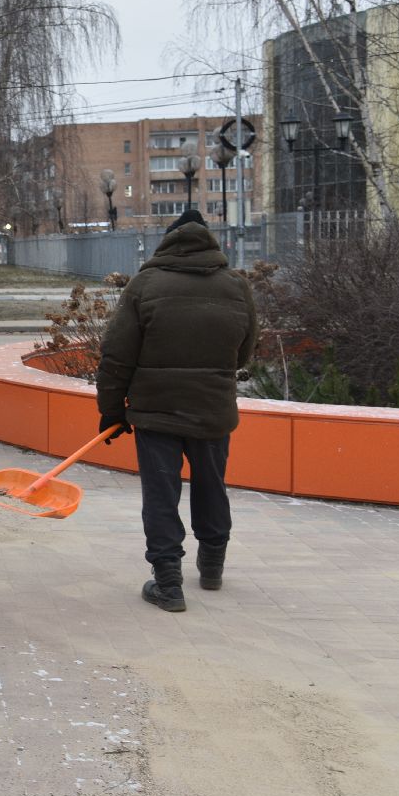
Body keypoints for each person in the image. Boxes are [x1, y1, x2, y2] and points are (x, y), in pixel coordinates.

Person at [96, 208, 258, 613]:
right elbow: (243, 352)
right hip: (212, 410)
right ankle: (212, 566)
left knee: (161, 495)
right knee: (211, 485)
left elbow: (117, 356)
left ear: (167, 241)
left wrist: (112, 410)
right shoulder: (236, 286)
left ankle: (168, 584)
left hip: (157, 411)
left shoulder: (145, 285)